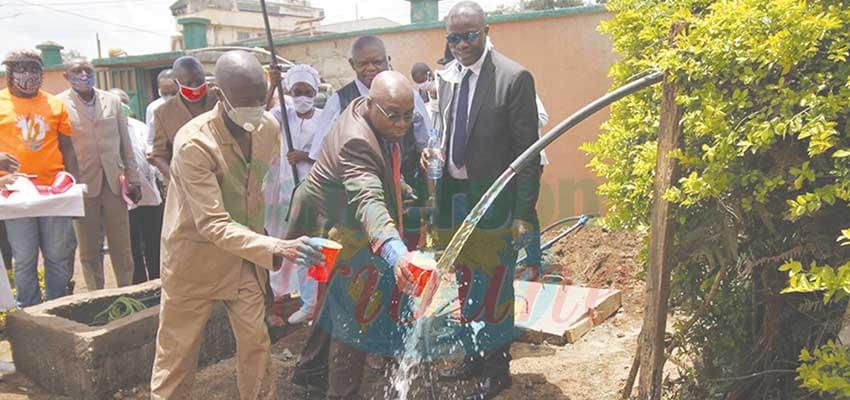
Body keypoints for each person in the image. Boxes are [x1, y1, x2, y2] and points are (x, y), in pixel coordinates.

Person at [149, 50, 325, 400]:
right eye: (245, 101)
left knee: (256, 346)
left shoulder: (268, 128)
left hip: (245, 260)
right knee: (178, 356)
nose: (255, 109)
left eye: (261, 99)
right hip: (194, 260)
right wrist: (275, 247)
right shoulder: (194, 143)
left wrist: (276, 238)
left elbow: (257, 194)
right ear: (220, 96)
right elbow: (212, 224)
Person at [423, 2, 541, 399]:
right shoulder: (448, 78)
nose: (461, 45)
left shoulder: (513, 77)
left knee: (494, 285)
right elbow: (446, 132)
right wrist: (433, 153)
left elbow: (530, 154)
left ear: (487, 31)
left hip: (495, 204)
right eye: (453, 37)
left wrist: (523, 214)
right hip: (454, 199)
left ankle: (497, 367)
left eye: (469, 35)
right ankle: (473, 354)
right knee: (466, 281)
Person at [286, 71, 418, 399]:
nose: (402, 124)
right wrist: (395, 252)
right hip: (332, 218)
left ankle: (311, 372)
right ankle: (342, 393)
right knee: (356, 307)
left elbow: (376, 173)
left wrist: (399, 188)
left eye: (408, 115)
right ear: (372, 105)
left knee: (335, 298)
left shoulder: (366, 108)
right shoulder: (356, 137)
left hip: (342, 212)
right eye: (394, 116)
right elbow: (367, 198)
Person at [0, 49, 79, 308]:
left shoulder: (55, 104)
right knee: (24, 258)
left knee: (58, 255)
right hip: (15, 193)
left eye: (33, 69)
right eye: (21, 69)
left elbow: (67, 147)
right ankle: (30, 312)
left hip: (53, 192)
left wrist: (74, 189)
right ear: (9, 74)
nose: (28, 75)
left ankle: (58, 308)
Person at [59, 58, 141, 291]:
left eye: (88, 70)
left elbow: (125, 143)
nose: (83, 75)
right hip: (82, 185)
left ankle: (127, 291)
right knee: (88, 248)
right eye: (77, 71)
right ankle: (96, 295)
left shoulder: (112, 101)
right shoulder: (58, 104)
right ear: (67, 76)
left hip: (114, 183)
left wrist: (133, 178)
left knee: (121, 244)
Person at [308, 35, 430, 183]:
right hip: (357, 191)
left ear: (387, 60)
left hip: (408, 189)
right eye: (364, 63)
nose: (371, 68)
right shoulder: (338, 102)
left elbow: (425, 144)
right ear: (353, 64)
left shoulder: (409, 96)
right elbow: (319, 153)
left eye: (377, 62)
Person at [265, 64, 323, 325]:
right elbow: (259, 122)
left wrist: (305, 156)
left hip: (313, 189)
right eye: (297, 91)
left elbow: (331, 150)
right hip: (283, 192)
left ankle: (312, 301)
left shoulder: (323, 117)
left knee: (311, 244)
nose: (302, 96)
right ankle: (280, 296)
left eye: (307, 91)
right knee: (283, 241)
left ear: (315, 91)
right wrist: (271, 86)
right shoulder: (282, 114)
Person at [110, 88, 163, 284]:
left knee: (154, 242)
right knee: (130, 245)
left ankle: (157, 283)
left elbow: (151, 152)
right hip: (122, 199)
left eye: (124, 101)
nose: (121, 106)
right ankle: (137, 286)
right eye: (116, 102)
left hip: (149, 196)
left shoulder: (140, 127)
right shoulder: (106, 131)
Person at [150, 56, 216, 182]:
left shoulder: (221, 100)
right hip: (186, 185)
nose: (196, 86)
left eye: (199, 80)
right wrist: (177, 180)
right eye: (190, 83)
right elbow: (159, 155)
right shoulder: (163, 113)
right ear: (177, 82)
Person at [145, 69, 178, 148]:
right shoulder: (153, 108)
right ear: (159, 90)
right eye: (165, 94)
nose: (169, 98)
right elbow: (150, 137)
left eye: (173, 93)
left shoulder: (188, 104)